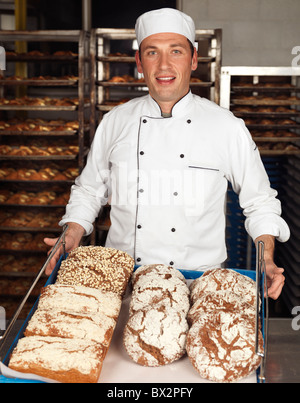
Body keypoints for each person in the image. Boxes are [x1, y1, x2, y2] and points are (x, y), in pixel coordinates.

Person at [45, 8, 290, 300]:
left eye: (176, 51)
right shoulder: (116, 121)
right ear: (139, 61)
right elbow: (89, 190)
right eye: (152, 52)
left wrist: (266, 259)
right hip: (122, 284)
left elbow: (260, 201)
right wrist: (71, 233)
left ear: (194, 59)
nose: (164, 65)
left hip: (199, 288)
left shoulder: (226, 127)